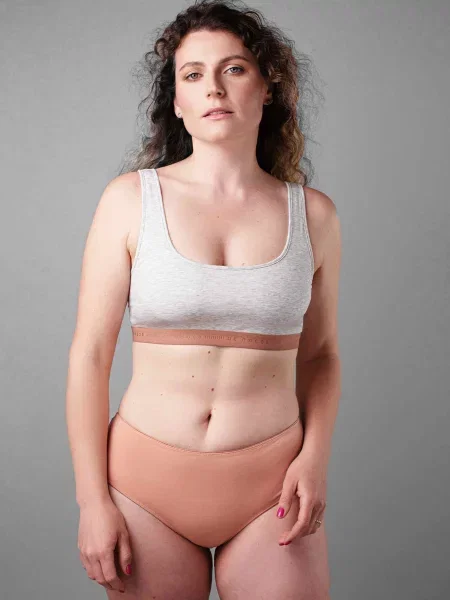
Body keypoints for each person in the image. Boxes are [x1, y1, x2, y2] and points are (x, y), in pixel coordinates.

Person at [66, 0, 341, 597]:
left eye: (234, 69)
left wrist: (315, 460)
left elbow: (321, 356)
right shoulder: (128, 201)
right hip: (143, 488)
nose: (214, 88)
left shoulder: (314, 216)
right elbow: (89, 355)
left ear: (267, 87)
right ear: (177, 100)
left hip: (273, 489)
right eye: (193, 74)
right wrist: (92, 500)